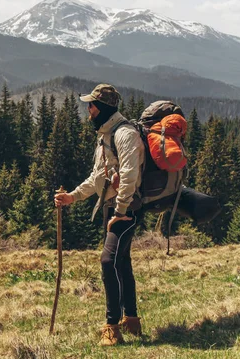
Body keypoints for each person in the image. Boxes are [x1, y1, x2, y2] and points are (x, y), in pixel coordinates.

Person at [54, 84, 145, 346]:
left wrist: (121, 211)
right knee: (121, 262)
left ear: (103, 107)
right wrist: (72, 196)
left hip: (127, 209)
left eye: (92, 105)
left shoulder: (124, 134)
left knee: (108, 261)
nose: (88, 110)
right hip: (116, 208)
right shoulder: (105, 135)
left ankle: (112, 327)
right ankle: (132, 321)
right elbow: (98, 178)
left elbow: (129, 176)